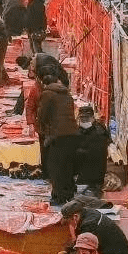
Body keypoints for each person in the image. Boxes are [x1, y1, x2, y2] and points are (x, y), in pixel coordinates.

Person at [38, 71, 79, 206]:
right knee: (68, 164)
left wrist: (43, 130)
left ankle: (58, 196)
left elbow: (42, 115)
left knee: (55, 166)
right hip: (72, 133)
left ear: (45, 83)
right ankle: (70, 192)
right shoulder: (67, 94)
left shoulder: (47, 94)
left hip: (57, 135)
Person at [73, 104, 110, 194]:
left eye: (86, 118)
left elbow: (95, 152)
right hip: (91, 175)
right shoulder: (99, 129)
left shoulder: (99, 132)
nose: (84, 121)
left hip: (92, 174)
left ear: (92, 118)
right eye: (83, 119)